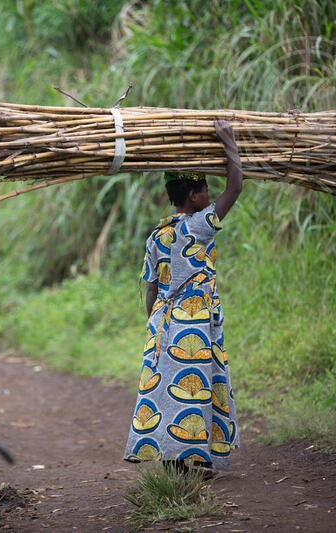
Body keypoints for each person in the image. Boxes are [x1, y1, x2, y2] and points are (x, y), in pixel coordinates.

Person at [123, 119, 243, 475]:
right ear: (193, 195)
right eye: (206, 188)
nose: (210, 195)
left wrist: (153, 325)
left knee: (170, 390)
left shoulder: (155, 235)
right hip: (194, 320)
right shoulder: (200, 225)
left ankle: (178, 461)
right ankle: (187, 461)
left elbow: (150, 288)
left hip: (162, 322)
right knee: (195, 387)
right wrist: (229, 142)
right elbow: (235, 187)